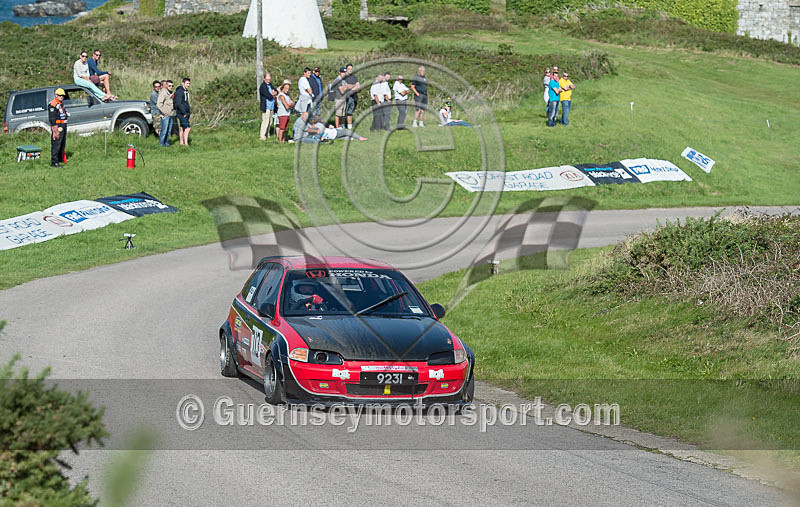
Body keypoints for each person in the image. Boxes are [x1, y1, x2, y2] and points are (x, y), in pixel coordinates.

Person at [48, 88, 68, 167]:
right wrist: (55, 130)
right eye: (59, 95)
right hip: (58, 126)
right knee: (56, 144)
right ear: (56, 95)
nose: (61, 97)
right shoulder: (53, 104)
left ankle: (60, 159)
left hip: (63, 125)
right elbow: (52, 118)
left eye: (62, 95)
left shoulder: (60, 103)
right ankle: (54, 162)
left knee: (62, 144)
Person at [259, 72, 278, 140]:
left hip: (271, 106)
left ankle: (267, 134)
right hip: (266, 106)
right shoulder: (263, 86)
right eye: (267, 79)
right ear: (264, 79)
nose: (268, 80)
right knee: (265, 121)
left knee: (270, 121)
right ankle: (262, 135)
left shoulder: (270, 85)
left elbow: (276, 91)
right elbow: (268, 95)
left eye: (269, 79)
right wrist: (273, 94)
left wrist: (275, 92)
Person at [173, 77, 191, 145]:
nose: (188, 85)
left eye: (189, 83)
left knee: (182, 128)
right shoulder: (179, 92)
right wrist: (183, 112)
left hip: (186, 112)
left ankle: (181, 143)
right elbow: (178, 103)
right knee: (187, 128)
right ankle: (186, 144)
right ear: (183, 83)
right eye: (187, 83)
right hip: (182, 113)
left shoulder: (185, 91)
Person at [157, 80, 175, 146]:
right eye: (169, 85)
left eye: (172, 86)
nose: (171, 87)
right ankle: (161, 144)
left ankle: (166, 143)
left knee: (168, 131)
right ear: (166, 85)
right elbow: (159, 104)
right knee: (164, 131)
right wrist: (165, 113)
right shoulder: (163, 92)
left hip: (170, 114)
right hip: (165, 115)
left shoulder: (170, 92)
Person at [343, 63, 360, 130]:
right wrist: (353, 86)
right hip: (346, 97)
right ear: (346, 69)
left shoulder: (354, 77)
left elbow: (358, 86)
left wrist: (351, 88)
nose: (350, 70)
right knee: (344, 112)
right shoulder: (344, 77)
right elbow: (346, 86)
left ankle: (350, 127)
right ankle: (342, 126)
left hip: (353, 97)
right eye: (349, 69)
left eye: (351, 69)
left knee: (350, 112)